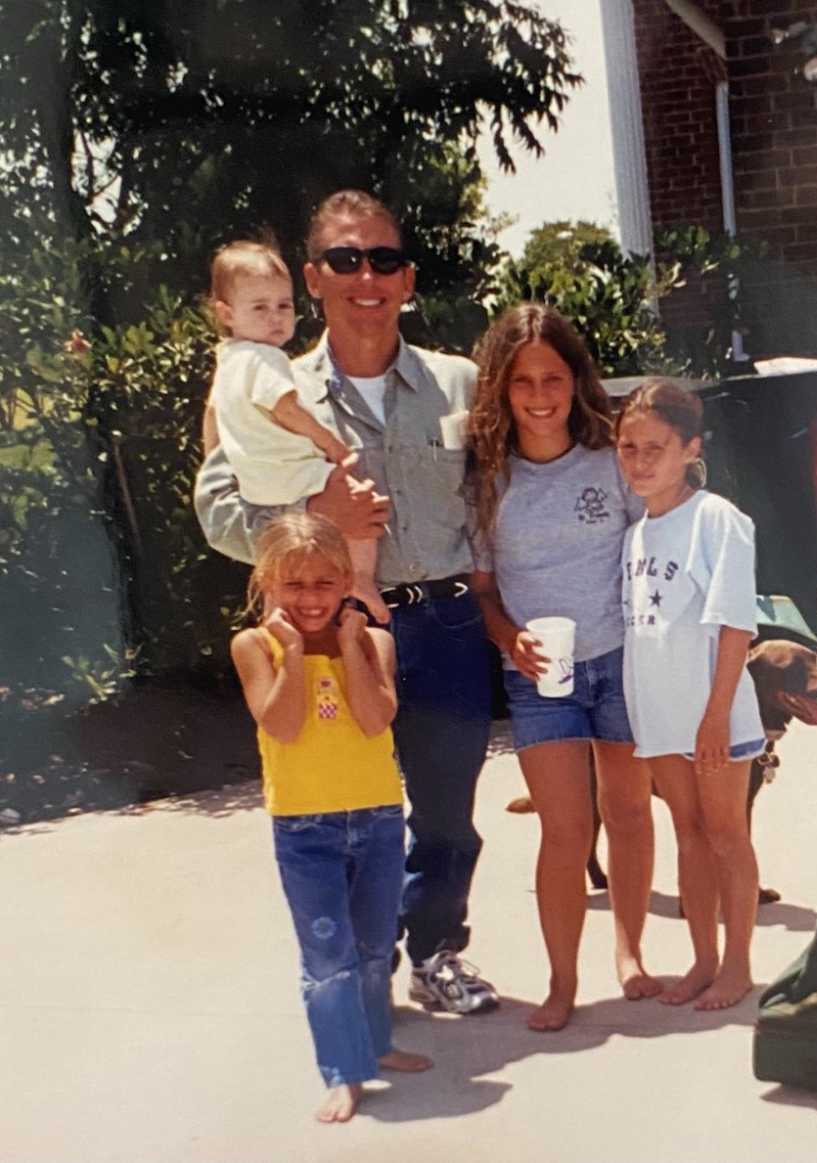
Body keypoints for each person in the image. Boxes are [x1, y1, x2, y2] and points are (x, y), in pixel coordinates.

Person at [195, 190, 498, 1014]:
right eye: (344, 260)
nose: (367, 276)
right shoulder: (261, 387)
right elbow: (218, 514)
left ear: (406, 279)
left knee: (446, 817)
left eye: (385, 260)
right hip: (332, 632)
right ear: (312, 278)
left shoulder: (458, 381)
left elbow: (496, 500)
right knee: (348, 818)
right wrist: (318, 518)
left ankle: (437, 954)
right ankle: (364, 973)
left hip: (440, 623)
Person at [468, 304, 661, 1031]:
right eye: (524, 381)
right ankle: (560, 980)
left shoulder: (612, 455)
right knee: (565, 830)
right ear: (502, 388)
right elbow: (483, 590)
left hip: (620, 659)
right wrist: (507, 639)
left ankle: (631, 950)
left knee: (631, 811)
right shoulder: (487, 477)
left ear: (576, 379)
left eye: (554, 376)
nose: (541, 394)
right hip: (540, 676)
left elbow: (651, 551)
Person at [231, 513, 432, 1123]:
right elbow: (283, 724)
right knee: (327, 955)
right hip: (303, 827)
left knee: (373, 944)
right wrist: (293, 652)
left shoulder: (374, 643)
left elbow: (376, 720)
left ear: (347, 581)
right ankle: (343, 1071)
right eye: (294, 585)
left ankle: (375, 1044)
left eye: (324, 583)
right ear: (266, 582)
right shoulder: (255, 647)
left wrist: (349, 646)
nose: (310, 598)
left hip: (374, 817)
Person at [616, 377, 765, 1011]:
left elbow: (735, 624)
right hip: (660, 714)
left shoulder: (716, 519)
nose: (641, 462)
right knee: (687, 832)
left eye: (655, 448)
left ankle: (738, 965)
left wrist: (715, 717)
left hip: (713, 710)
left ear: (690, 449)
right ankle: (703, 958)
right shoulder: (636, 532)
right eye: (628, 448)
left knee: (727, 834)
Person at [208, 240, 389, 624]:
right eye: (260, 308)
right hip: (292, 473)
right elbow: (287, 408)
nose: (275, 318)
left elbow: (214, 440)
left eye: (283, 306)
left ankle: (276, 607)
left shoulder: (226, 364)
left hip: (259, 487)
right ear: (225, 313)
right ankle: (360, 580)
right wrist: (331, 444)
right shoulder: (265, 358)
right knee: (363, 500)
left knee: (286, 552)